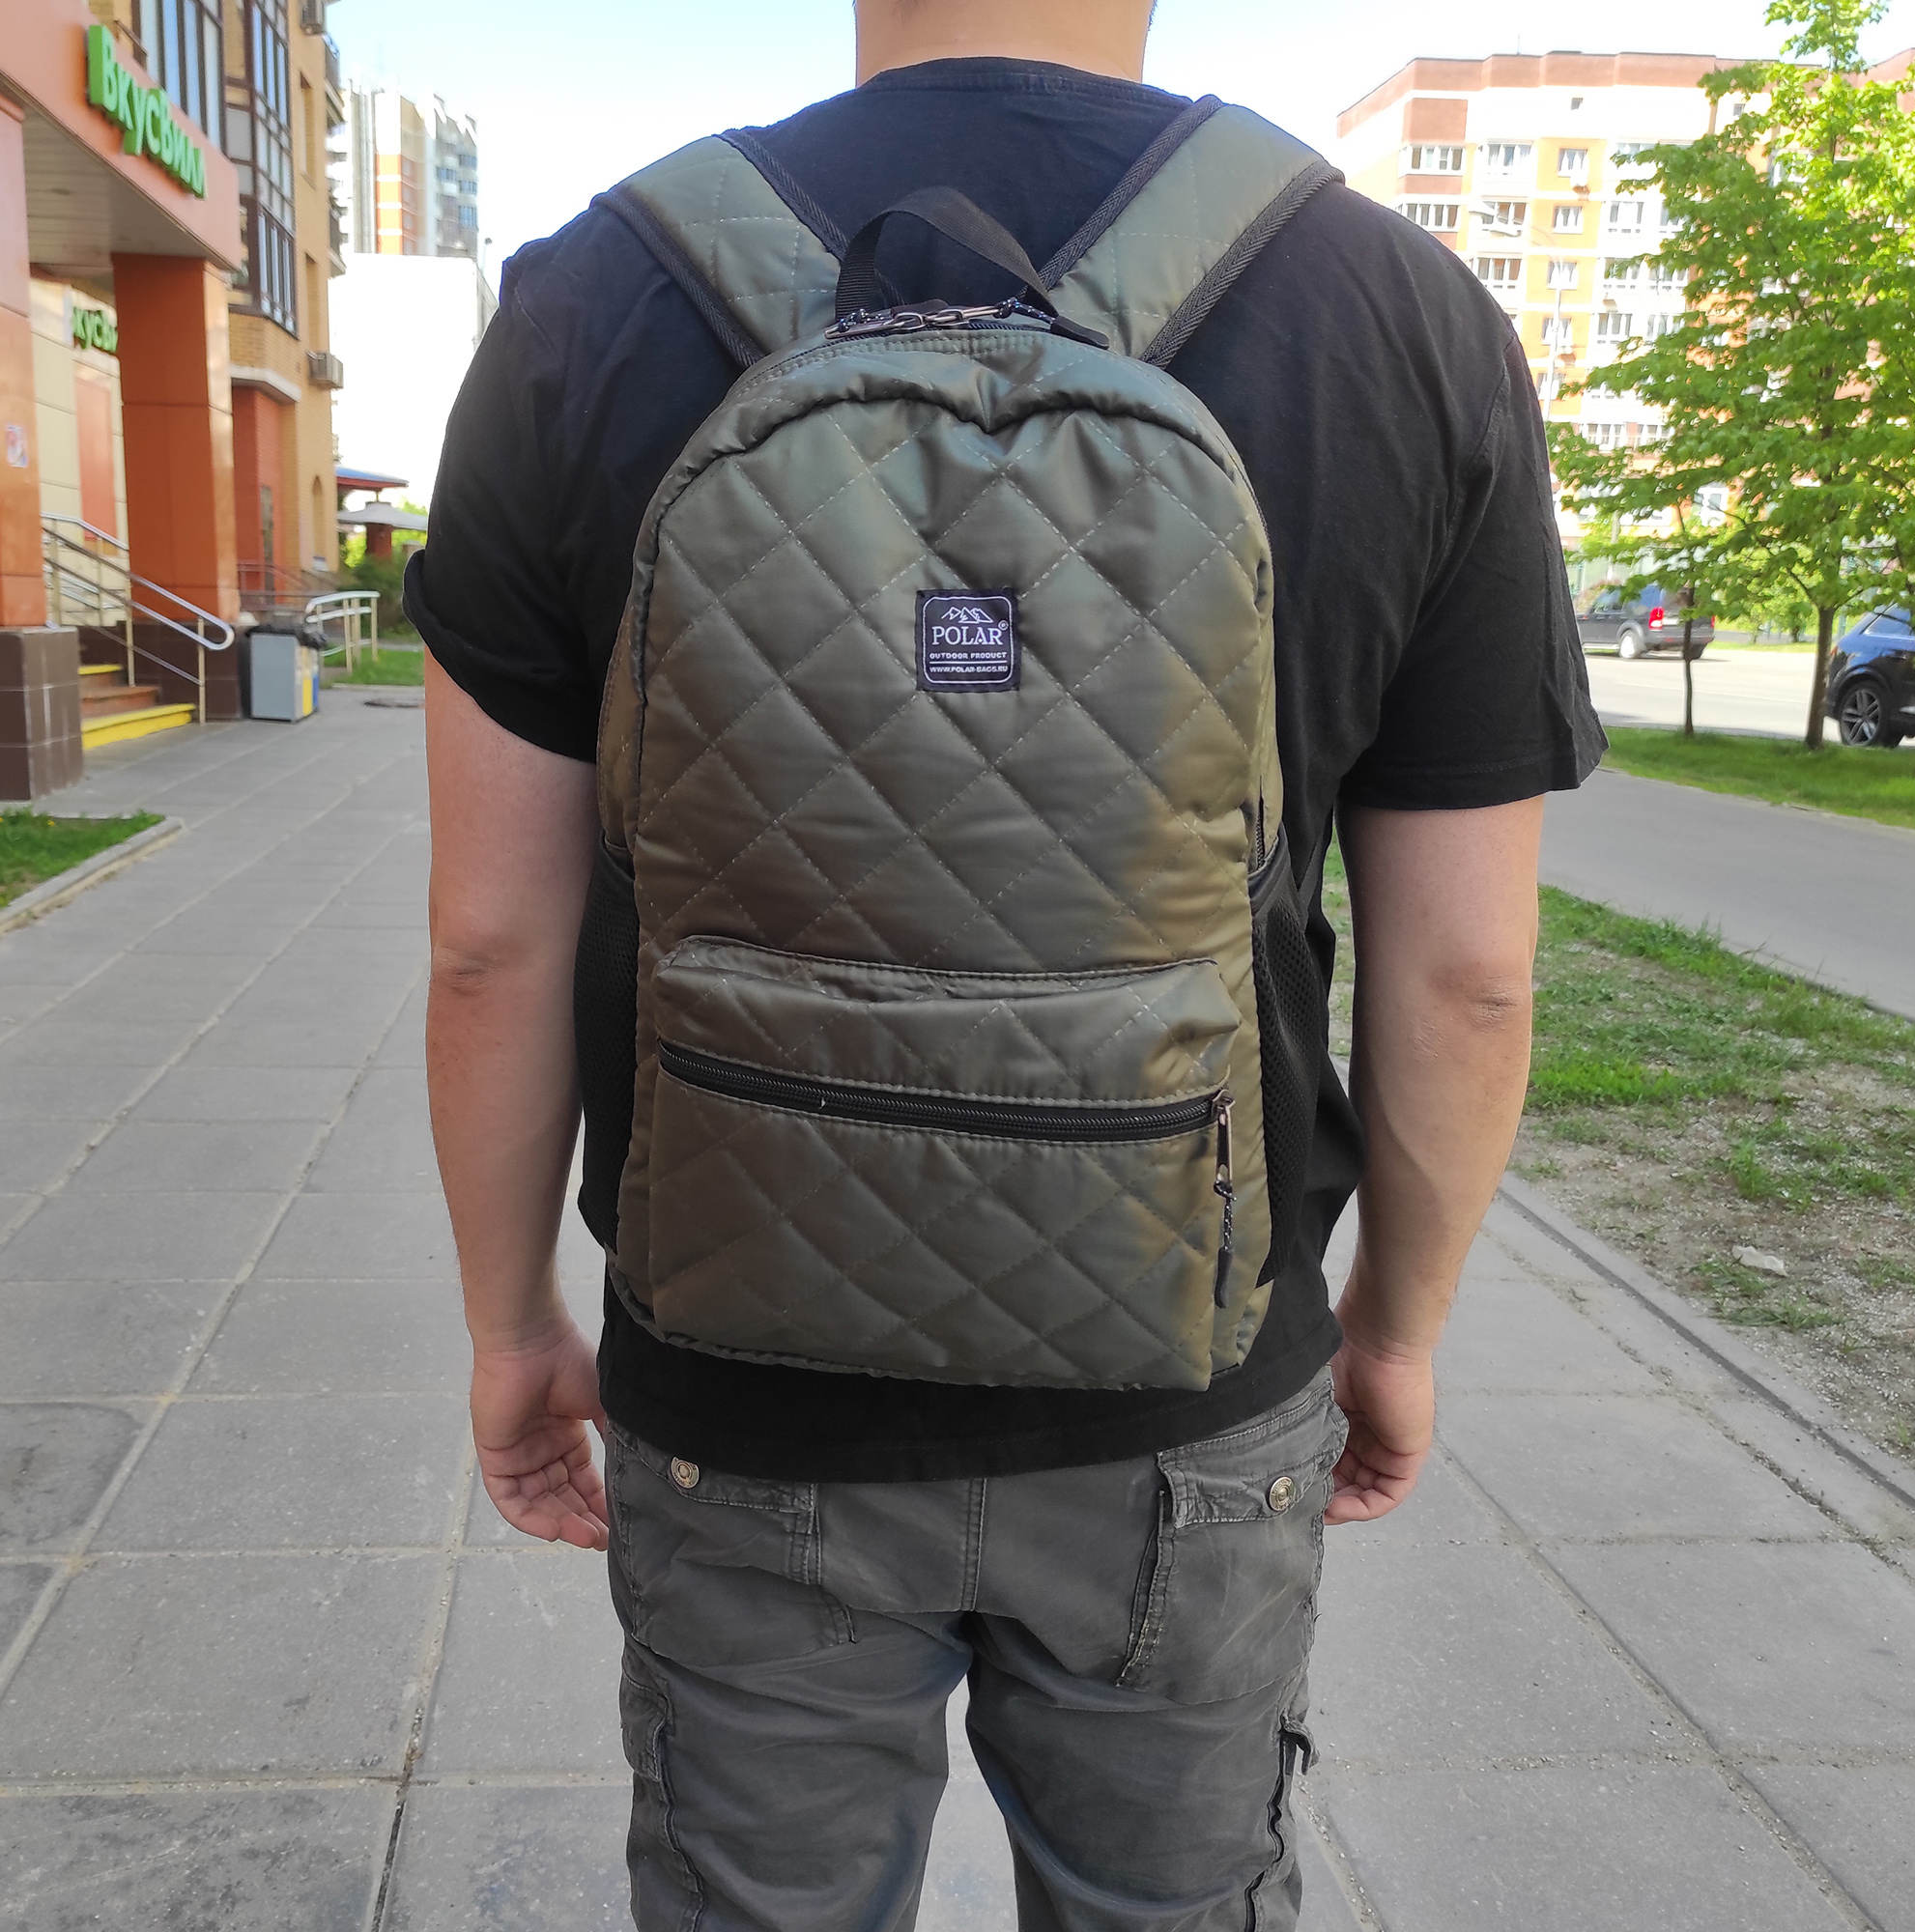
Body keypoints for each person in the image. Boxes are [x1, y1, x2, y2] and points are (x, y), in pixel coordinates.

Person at [412, 2, 1603, 1925]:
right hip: (1193, 1374)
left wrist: (508, 1326)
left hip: (740, 1372)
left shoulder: (592, 300)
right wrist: (1389, 1329)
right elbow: (1468, 972)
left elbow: (489, 943)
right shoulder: (1398, 314)